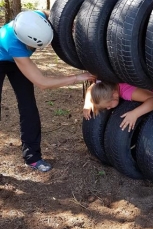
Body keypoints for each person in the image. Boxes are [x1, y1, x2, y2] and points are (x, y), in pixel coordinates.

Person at [0, 10, 95, 172]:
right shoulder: (15, 44)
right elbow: (43, 83)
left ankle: (32, 157)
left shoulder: (39, 17)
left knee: (28, 106)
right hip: (3, 57)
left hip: (17, 57)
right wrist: (77, 77)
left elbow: (60, 14)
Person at [83, 81, 153, 132]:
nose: (108, 108)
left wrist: (135, 114)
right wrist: (87, 104)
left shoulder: (127, 92)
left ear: (115, 95)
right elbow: (92, 87)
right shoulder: (105, 84)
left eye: (108, 105)